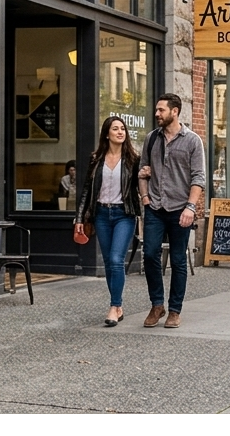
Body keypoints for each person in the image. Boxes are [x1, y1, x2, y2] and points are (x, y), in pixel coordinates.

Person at [137, 94, 207, 329]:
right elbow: (142, 170)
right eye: (156, 110)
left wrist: (190, 206)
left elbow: (199, 177)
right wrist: (145, 197)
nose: (157, 114)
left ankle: (175, 310)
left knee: (178, 261)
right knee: (149, 255)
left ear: (174, 111)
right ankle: (157, 304)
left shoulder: (192, 141)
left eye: (161, 110)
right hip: (155, 207)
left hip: (180, 209)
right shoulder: (151, 139)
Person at [75, 117, 140, 327]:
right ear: (106, 134)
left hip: (124, 214)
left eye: (123, 129)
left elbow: (141, 186)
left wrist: (146, 175)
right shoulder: (96, 159)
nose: (120, 132)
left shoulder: (133, 159)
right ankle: (118, 306)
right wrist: (79, 218)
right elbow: (86, 190)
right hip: (101, 214)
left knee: (115, 259)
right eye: (115, 129)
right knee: (109, 263)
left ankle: (114, 305)